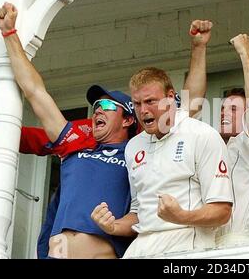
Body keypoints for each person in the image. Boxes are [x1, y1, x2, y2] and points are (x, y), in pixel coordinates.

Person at [0, 2, 135, 258]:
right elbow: (36, 93)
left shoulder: (139, 152)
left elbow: (184, 111)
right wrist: (9, 34)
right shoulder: (77, 141)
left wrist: (198, 48)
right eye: (95, 106)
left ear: (127, 120)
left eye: (106, 105)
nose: (97, 110)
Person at [91, 30, 233, 258]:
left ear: (170, 96)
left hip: (186, 245)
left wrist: (181, 217)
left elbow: (222, 211)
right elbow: (139, 212)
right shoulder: (133, 146)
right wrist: (113, 226)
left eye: (150, 101)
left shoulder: (201, 135)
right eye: (137, 103)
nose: (143, 110)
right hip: (140, 248)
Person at [215, 34, 249, 246]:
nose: (224, 113)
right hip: (208, 245)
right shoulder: (215, 147)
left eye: (233, 109)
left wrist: (244, 52)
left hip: (239, 243)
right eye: (222, 109)